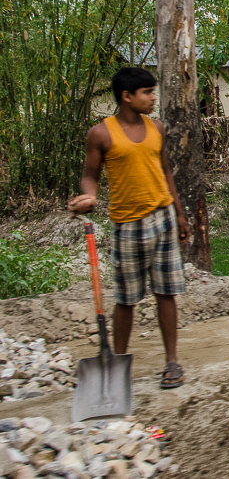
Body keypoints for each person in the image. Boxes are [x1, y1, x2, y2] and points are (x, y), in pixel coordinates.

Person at [68, 67, 188, 389]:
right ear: (127, 96)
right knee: (126, 299)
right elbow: (90, 175)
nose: (153, 98)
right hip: (127, 225)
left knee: (166, 293)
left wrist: (179, 214)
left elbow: (166, 172)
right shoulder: (101, 134)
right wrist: (89, 196)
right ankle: (116, 366)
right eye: (147, 92)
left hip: (163, 218)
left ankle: (172, 361)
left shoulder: (157, 128)